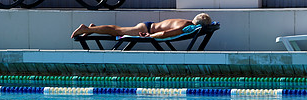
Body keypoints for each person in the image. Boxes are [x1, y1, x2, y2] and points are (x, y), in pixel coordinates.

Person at [71, 13, 212, 39]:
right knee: (116, 31)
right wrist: (150, 36)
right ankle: (87, 29)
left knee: (117, 30)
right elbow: (164, 34)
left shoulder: (187, 22)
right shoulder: (185, 27)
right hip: (146, 29)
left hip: (149, 26)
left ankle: (94, 28)